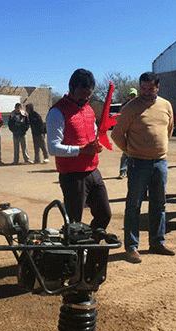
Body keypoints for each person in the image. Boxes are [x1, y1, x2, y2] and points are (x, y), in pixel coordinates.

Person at [112, 72, 175, 262]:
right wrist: (130, 151)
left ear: (158, 87)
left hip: (160, 163)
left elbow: (169, 129)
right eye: (143, 88)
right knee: (134, 205)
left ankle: (157, 242)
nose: (146, 92)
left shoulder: (166, 105)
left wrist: (158, 149)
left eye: (150, 88)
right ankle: (131, 247)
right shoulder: (130, 108)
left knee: (159, 204)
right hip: (137, 163)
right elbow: (116, 135)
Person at [46, 69, 112, 232]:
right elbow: (53, 147)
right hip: (72, 176)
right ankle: (74, 254)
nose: (86, 98)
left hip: (92, 171)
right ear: (71, 88)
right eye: (82, 94)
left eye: (89, 94)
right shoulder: (57, 112)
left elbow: (94, 132)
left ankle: (91, 247)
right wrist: (82, 150)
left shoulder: (89, 109)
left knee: (104, 214)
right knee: (74, 224)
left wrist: (97, 144)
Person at [118, 88, 138, 179]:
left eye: (134, 95)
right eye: (131, 95)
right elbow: (120, 119)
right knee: (125, 152)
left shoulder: (140, 105)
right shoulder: (124, 106)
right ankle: (123, 171)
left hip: (137, 132)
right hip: (127, 132)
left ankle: (134, 172)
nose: (132, 97)